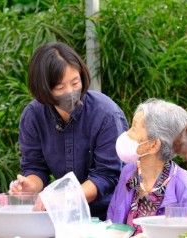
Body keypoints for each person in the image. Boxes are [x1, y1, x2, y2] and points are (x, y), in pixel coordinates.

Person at [10, 42, 129, 220]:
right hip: (62, 217)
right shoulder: (33, 116)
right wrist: (30, 186)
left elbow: (107, 176)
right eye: (60, 88)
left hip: (108, 216)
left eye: (75, 82)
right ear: (43, 89)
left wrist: (65, 197)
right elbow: (35, 167)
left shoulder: (106, 114)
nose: (71, 92)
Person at [107, 98, 187, 235]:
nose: (127, 134)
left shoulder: (185, 187)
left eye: (134, 128)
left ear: (153, 145)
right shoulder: (128, 173)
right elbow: (111, 223)